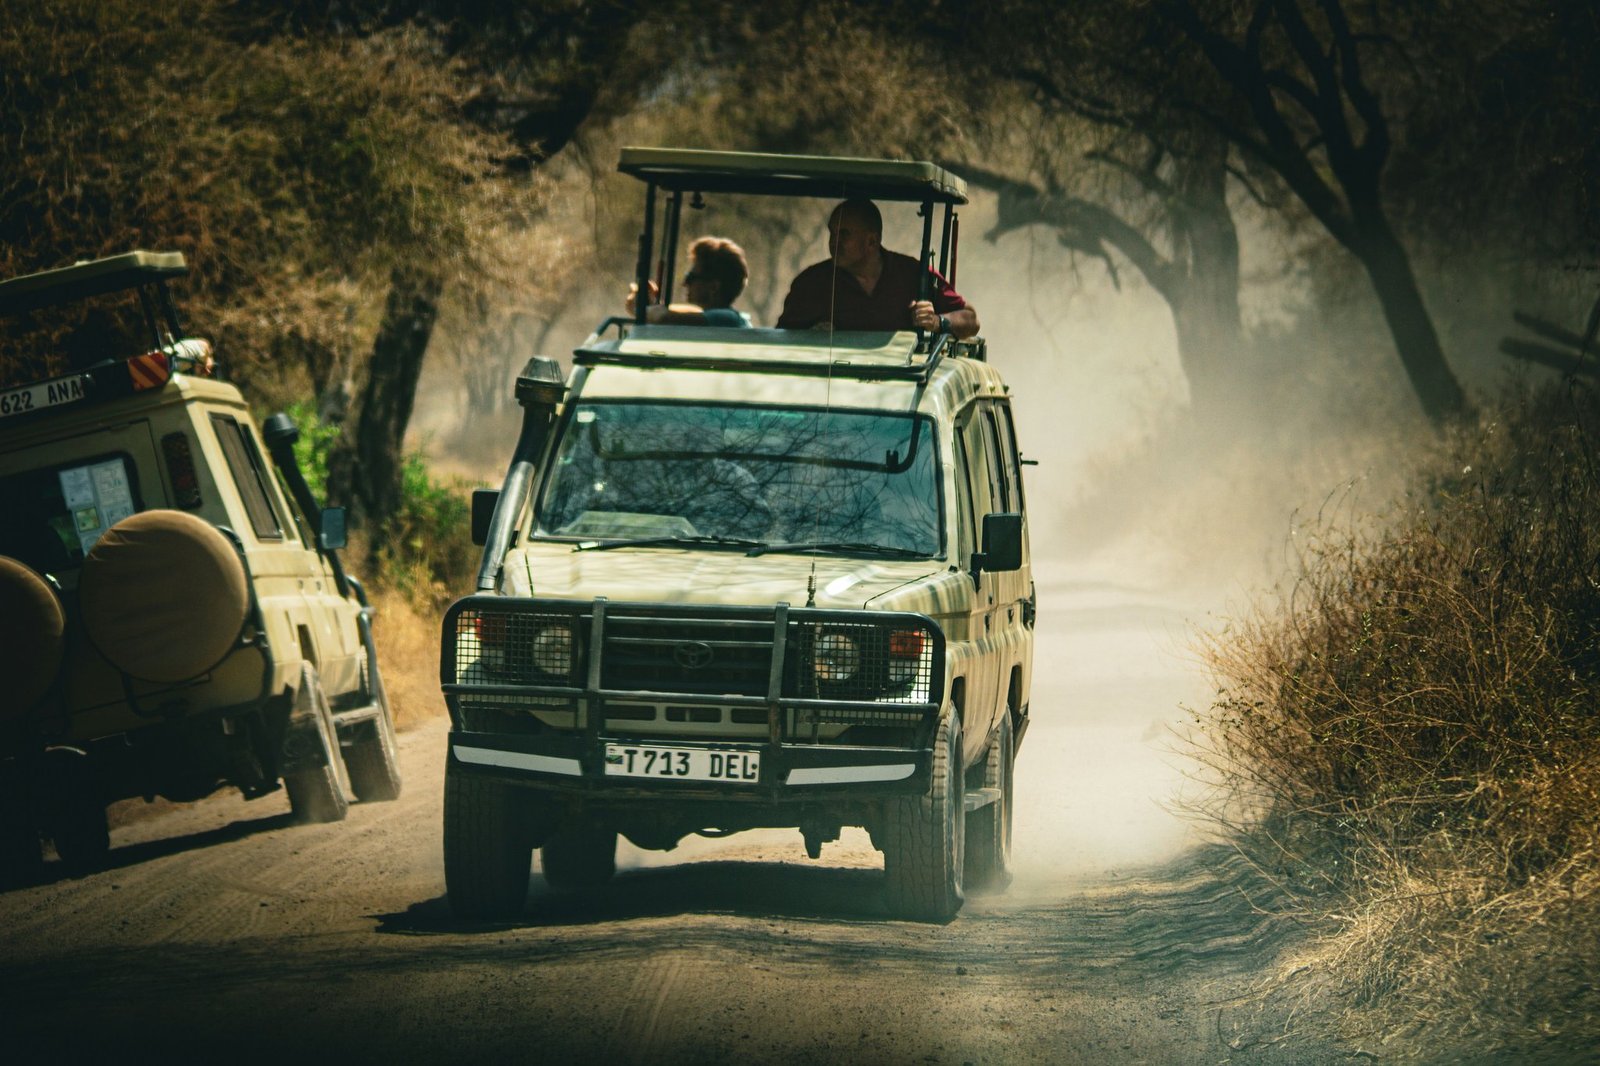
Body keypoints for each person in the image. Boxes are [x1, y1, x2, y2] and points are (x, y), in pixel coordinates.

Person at [776, 198, 979, 338]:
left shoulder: (912, 273)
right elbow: (782, 338)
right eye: (832, 233)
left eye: (844, 234)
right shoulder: (811, 282)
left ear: (872, 241)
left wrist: (937, 321)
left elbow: (970, 319)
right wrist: (810, 336)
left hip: (902, 388)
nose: (833, 242)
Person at [626, 235, 750, 327]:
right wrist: (651, 305)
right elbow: (684, 313)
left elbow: (663, 318)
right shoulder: (726, 319)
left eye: (691, 277)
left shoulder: (727, 319)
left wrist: (639, 309)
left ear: (714, 287)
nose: (685, 283)